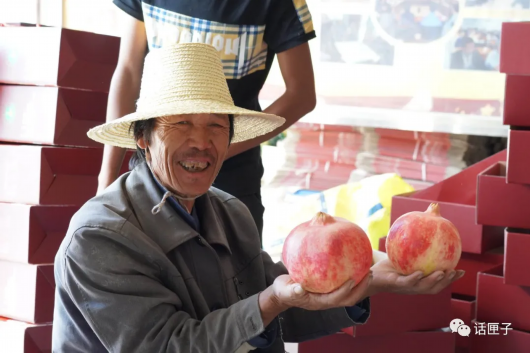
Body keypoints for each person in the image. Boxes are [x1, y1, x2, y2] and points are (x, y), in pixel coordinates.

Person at [52, 43, 464, 353]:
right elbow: (170, 345)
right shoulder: (99, 238)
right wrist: (269, 302)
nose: (201, 142)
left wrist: (372, 284)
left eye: (216, 126)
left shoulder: (230, 212)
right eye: (181, 124)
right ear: (143, 138)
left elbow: (275, 312)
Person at [96, 0, 318, 245]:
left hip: (232, 176)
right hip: (155, 167)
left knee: (237, 276)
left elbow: (302, 95)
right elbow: (129, 70)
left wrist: (214, 152)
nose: (198, 140)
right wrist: (106, 181)